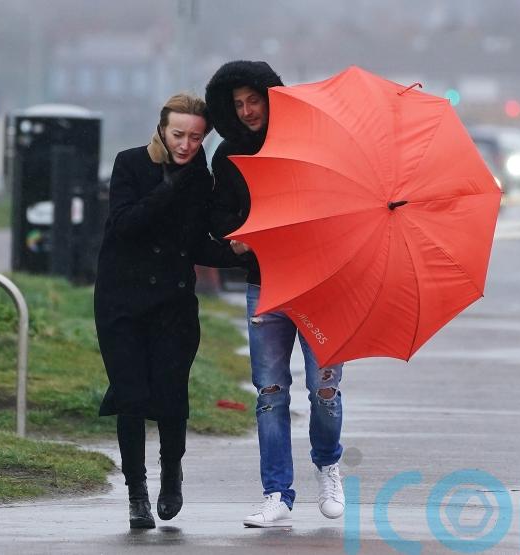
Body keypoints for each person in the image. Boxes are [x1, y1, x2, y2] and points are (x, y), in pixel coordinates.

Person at [94, 93, 251, 529]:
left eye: (196, 138)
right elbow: (124, 224)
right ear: (162, 129)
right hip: (121, 300)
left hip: (173, 303)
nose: (186, 145)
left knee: (170, 395)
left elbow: (195, 245)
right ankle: (136, 494)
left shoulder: (200, 179)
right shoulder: (130, 164)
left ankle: (171, 475)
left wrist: (236, 253)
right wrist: (169, 187)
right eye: (178, 134)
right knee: (129, 394)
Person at [205, 61, 345, 528]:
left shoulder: (307, 142)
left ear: (270, 98)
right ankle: (277, 493)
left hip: (319, 285)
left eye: (254, 101)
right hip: (264, 285)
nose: (247, 111)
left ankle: (328, 465)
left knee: (325, 387)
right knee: (270, 391)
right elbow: (219, 216)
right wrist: (240, 236)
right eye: (238, 104)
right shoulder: (227, 156)